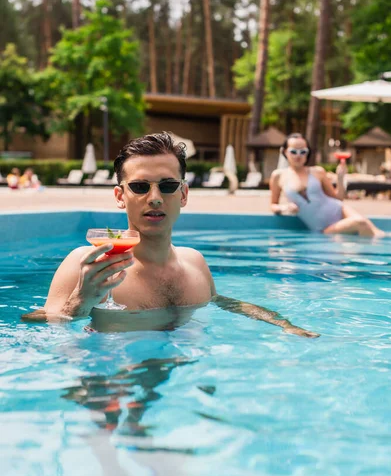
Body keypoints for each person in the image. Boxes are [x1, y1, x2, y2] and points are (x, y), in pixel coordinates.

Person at [23, 132, 318, 337]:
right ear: (120, 196)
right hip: (117, 380)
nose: (154, 198)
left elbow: (223, 303)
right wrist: (81, 300)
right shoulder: (86, 263)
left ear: (184, 194)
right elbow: (45, 325)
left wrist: (283, 324)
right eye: (140, 186)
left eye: (167, 186)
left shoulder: (195, 262)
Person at [270, 133, 384, 237]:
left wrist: (340, 178)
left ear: (308, 152)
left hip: (339, 210)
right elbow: (273, 205)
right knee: (361, 223)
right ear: (285, 152)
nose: (298, 155)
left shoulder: (318, 171)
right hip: (322, 229)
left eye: (303, 151)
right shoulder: (278, 176)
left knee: (379, 234)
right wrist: (284, 208)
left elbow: (338, 198)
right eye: (293, 152)